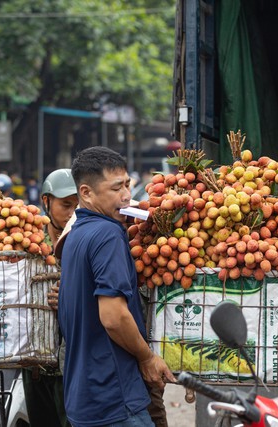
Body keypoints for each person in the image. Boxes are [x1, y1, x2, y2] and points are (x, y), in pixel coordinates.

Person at [58, 146, 175, 426]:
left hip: (84, 399)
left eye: (127, 185)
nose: (126, 195)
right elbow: (113, 317)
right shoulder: (108, 234)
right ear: (86, 193)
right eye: (116, 188)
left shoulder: (76, 234)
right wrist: (147, 358)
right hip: (114, 398)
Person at [20, 169, 78, 427]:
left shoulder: (83, 238)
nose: (71, 212)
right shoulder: (29, 240)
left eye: (77, 205)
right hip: (35, 361)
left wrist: (69, 297)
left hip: (73, 361)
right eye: (66, 205)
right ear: (46, 201)